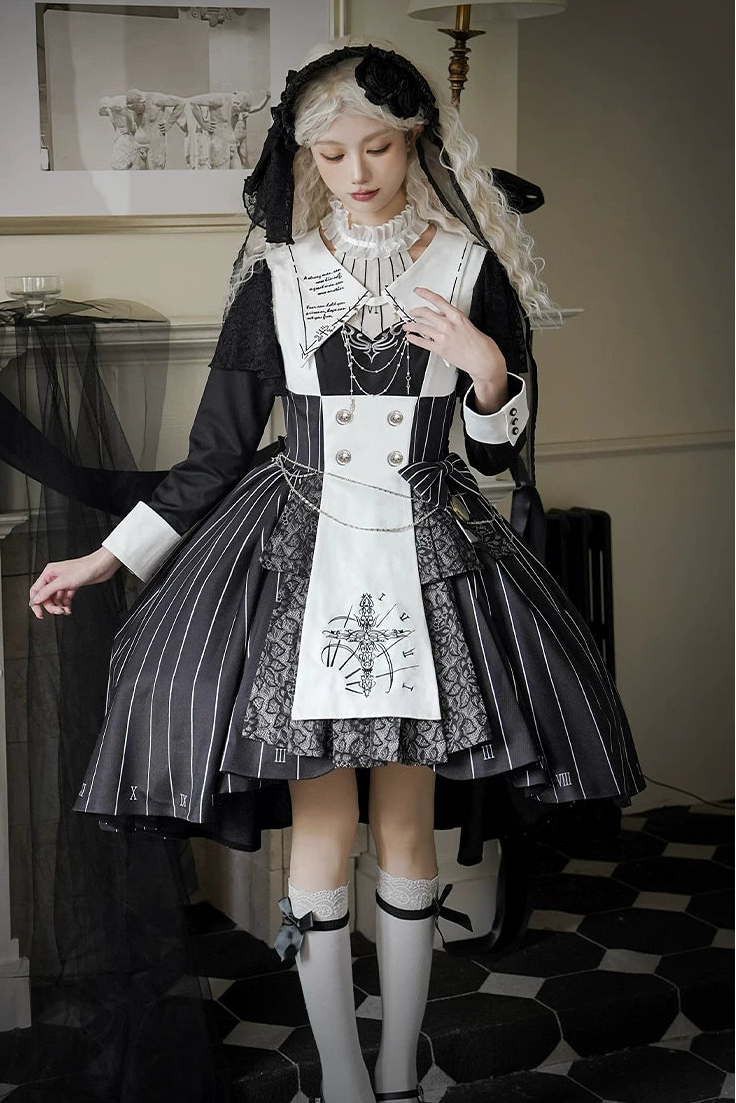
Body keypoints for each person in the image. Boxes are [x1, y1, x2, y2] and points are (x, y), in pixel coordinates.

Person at [29, 38, 646, 1103]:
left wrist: (487, 369)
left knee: (405, 822)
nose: (356, 172)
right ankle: (346, 1082)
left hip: (431, 559)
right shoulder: (273, 281)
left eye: (378, 147)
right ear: (302, 157)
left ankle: (397, 1074)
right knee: (322, 824)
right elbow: (211, 460)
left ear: (417, 142)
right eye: (330, 153)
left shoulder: (470, 269)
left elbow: (493, 457)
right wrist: (102, 556)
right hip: (300, 563)